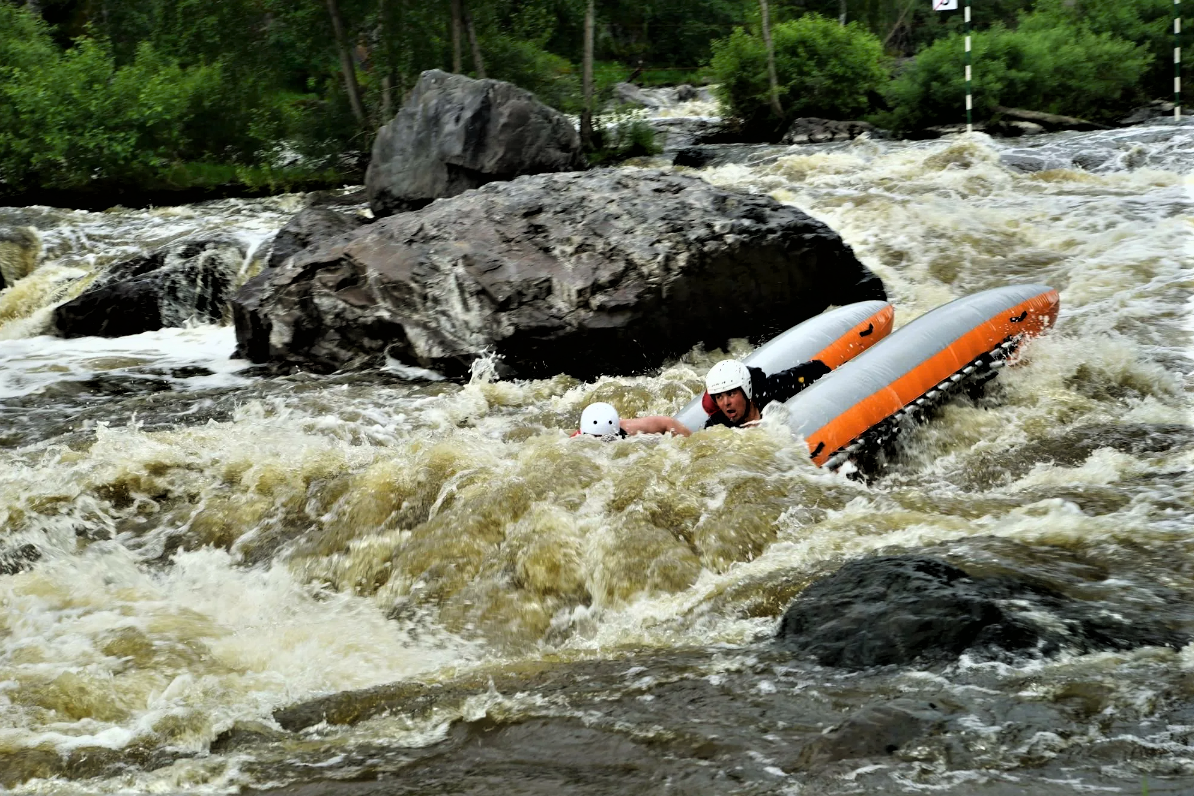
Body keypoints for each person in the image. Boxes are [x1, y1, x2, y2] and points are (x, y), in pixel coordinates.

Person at [702, 358, 830, 429]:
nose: (726, 403)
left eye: (731, 394)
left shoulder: (772, 390)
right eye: (719, 397)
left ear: (746, 391)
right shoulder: (718, 426)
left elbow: (817, 368)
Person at [575, 402, 692, 438]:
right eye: (594, 437)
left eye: (607, 439)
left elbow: (667, 422)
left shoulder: (629, 428)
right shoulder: (574, 442)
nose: (601, 442)